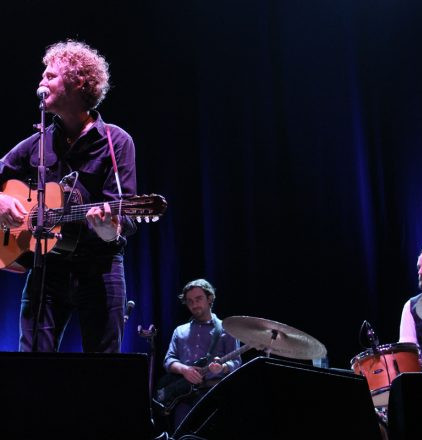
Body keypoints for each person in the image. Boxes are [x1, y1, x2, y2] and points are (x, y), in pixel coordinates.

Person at [0, 40, 137, 352]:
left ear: (79, 82)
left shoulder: (116, 142)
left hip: (100, 268)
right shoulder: (37, 142)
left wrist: (107, 227)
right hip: (47, 269)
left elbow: (126, 214)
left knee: (102, 371)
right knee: (31, 369)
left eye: (50, 76)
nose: (41, 82)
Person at [161, 278, 242, 432]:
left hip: (214, 395)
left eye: (198, 299)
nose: (194, 305)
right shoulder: (180, 330)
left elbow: (237, 363)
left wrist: (223, 367)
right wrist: (185, 370)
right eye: (190, 301)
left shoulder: (227, 329)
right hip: (183, 398)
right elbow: (168, 360)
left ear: (209, 298)